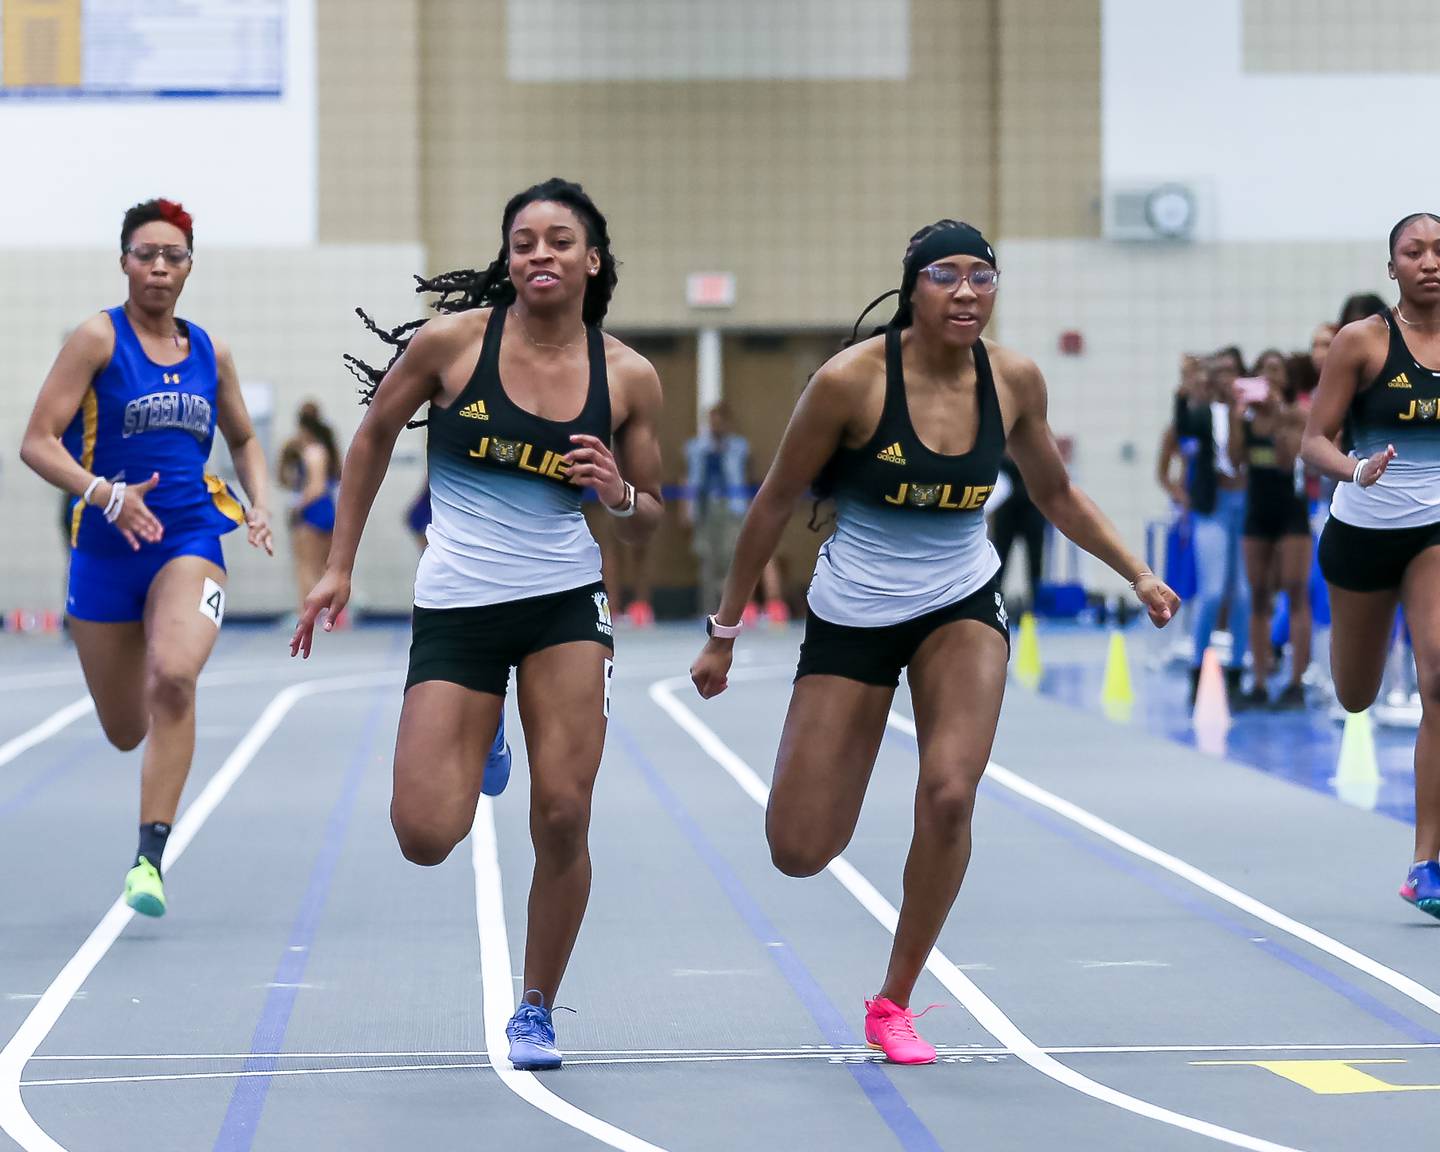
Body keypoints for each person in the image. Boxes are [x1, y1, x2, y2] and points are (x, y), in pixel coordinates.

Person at [689, 220, 1178, 1064]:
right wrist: (724, 633)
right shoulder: (850, 383)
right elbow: (772, 503)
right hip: (855, 612)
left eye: (982, 277)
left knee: (951, 791)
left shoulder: (1015, 378)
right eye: (946, 276)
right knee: (799, 849)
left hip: (960, 601)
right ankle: (844, 760)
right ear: (912, 288)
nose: (965, 292)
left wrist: (1136, 572)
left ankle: (895, 1000)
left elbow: (1055, 494)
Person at [290, 178, 663, 1067]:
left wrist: (617, 493)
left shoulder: (630, 376)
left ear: (592, 260)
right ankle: (485, 721)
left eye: (560, 240)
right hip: (459, 602)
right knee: (424, 837)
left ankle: (535, 1007)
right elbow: (375, 435)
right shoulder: (452, 345)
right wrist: (339, 564)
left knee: (564, 814)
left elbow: (653, 511)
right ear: (508, 258)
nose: (541, 254)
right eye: (525, 240)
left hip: (563, 605)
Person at [18, 197, 273, 916]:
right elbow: (36, 440)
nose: (159, 267)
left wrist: (257, 501)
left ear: (190, 265)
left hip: (190, 539)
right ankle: (146, 810)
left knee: (175, 678)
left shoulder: (208, 351)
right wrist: (102, 492)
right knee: (127, 728)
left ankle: (149, 859)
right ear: (124, 261)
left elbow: (247, 439)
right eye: (145, 254)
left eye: (173, 256)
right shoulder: (98, 338)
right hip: (103, 551)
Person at [1304, 211, 1440, 920]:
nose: (1429, 261)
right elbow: (1311, 441)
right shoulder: (1364, 342)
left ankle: (1428, 863)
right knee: (1355, 695)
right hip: (1361, 531)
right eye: (1413, 251)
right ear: (1393, 268)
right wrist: (1356, 470)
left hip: (1434, 534)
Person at [1158, 355, 1253, 704]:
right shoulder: (1201, 413)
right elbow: (1181, 431)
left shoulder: (1251, 412)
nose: (1226, 379)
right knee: (1212, 592)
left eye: (1233, 372)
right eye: (1220, 373)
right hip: (1213, 508)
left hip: (1246, 506)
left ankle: (1238, 674)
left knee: (1242, 594)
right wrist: (1184, 393)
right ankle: (1198, 671)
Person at [1235, 349, 1310, 707]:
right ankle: (1260, 681)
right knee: (1259, 594)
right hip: (1258, 511)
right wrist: (1238, 417)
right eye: (1263, 369)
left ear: (1286, 379)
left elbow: (1285, 462)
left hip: (1290, 510)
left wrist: (1279, 415)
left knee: (1295, 590)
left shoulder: (1296, 415)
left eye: (1276, 370)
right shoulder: (1247, 419)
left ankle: (1296, 681)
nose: (1269, 375)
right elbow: (1235, 460)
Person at [279, 401, 341, 616]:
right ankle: (329, 613)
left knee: (304, 566)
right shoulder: (327, 448)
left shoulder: (313, 451)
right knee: (322, 567)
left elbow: (317, 486)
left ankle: (305, 612)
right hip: (327, 509)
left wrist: (297, 507)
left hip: (312, 510)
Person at [988, 453, 1046, 614]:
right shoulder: (998, 453)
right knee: (1000, 558)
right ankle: (994, 601)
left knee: (1035, 560)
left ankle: (1036, 604)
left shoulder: (1034, 456)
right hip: (1006, 512)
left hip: (1031, 509)